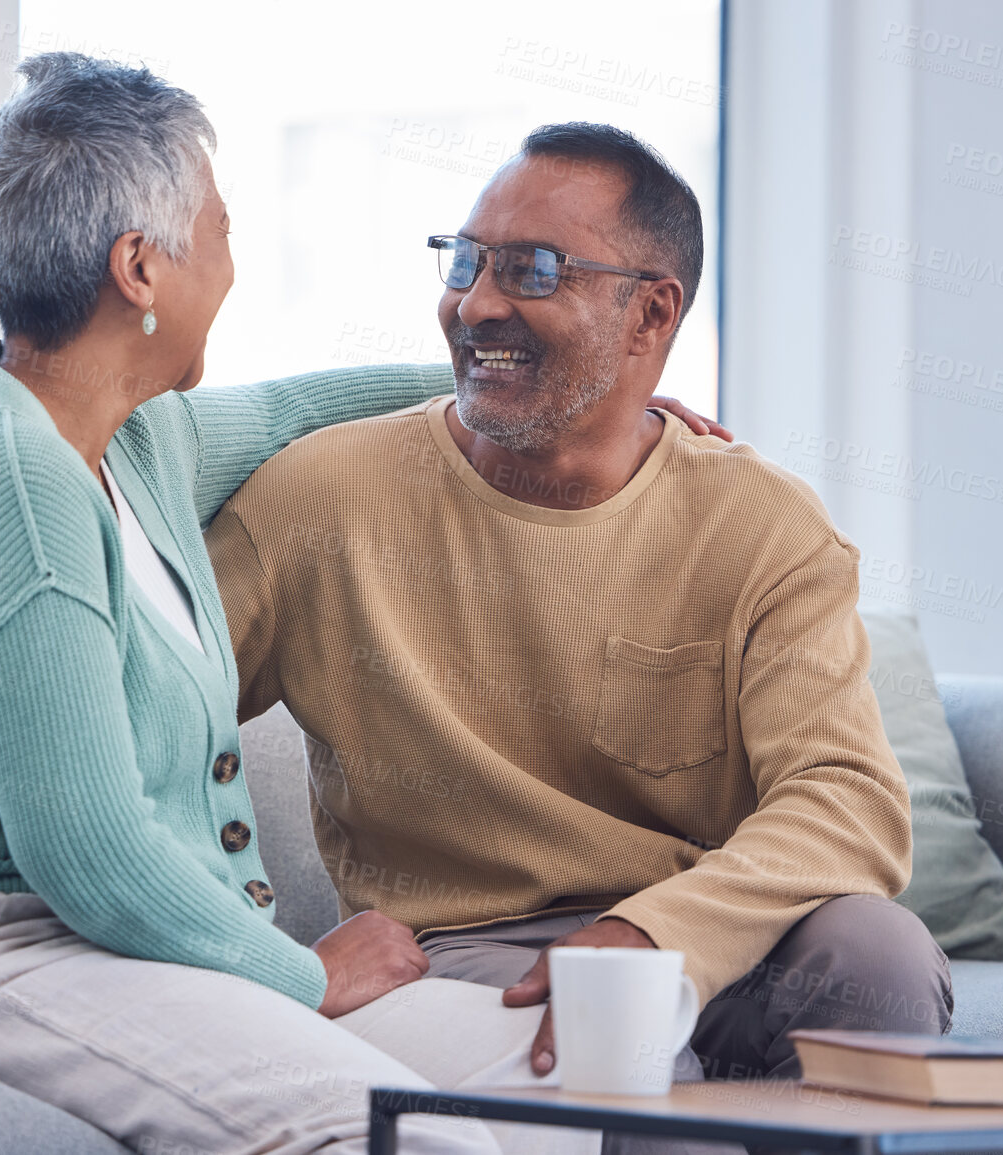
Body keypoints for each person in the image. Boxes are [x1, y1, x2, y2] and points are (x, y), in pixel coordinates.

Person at [0, 56, 723, 1154]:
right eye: (219, 232)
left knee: (589, 1078)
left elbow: (293, 412)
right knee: (418, 1139)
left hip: (94, 949)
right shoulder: (10, 487)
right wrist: (297, 973)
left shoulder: (129, 438)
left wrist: (567, 391)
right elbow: (87, 850)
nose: (232, 265)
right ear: (140, 267)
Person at [207, 123, 953, 1092]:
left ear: (650, 316)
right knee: (615, 1046)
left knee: (878, 955)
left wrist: (650, 932)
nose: (474, 303)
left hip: (704, 922)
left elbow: (848, 803)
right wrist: (248, 950)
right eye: (466, 261)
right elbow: (149, 718)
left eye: (532, 271)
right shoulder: (320, 500)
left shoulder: (765, 526)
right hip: (469, 951)